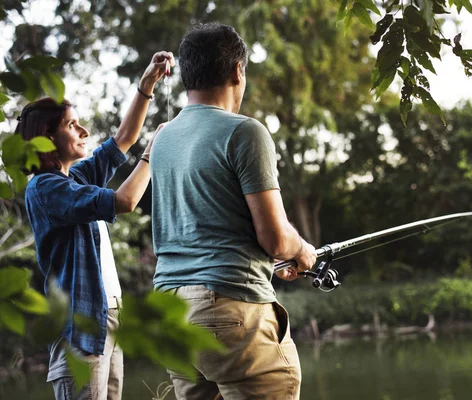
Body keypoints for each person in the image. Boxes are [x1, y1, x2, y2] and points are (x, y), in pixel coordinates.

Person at [150, 23, 317, 400]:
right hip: (227, 309)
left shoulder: (163, 138)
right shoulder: (245, 132)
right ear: (237, 71)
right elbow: (274, 238)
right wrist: (302, 250)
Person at [21, 51, 174, 400]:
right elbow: (125, 201)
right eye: (72, 125)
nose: (84, 130)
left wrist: (147, 83)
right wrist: (153, 154)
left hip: (107, 316)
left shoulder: (73, 177)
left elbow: (122, 139)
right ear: (46, 137)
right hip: (81, 326)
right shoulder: (46, 188)